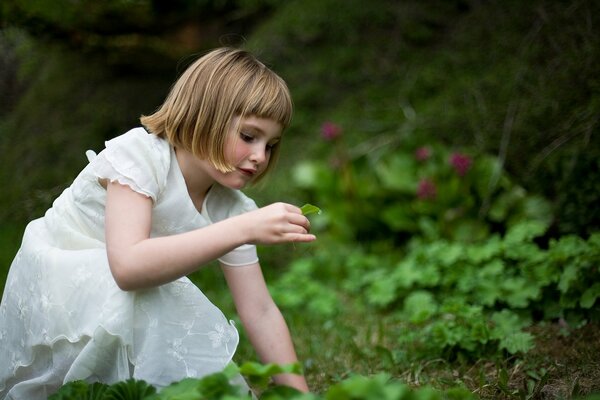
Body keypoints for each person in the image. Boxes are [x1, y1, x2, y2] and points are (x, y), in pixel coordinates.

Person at [0, 47, 315, 399]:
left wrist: (298, 392)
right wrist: (243, 229)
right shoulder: (140, 157)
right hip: (60, 285)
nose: (259, 156)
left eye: (271, 145)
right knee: (167, 300)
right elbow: (129, 267)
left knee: (214, 379)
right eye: (248, 136)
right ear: (204, 116)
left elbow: (259, 309)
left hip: (123, 294)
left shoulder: (233, 208)